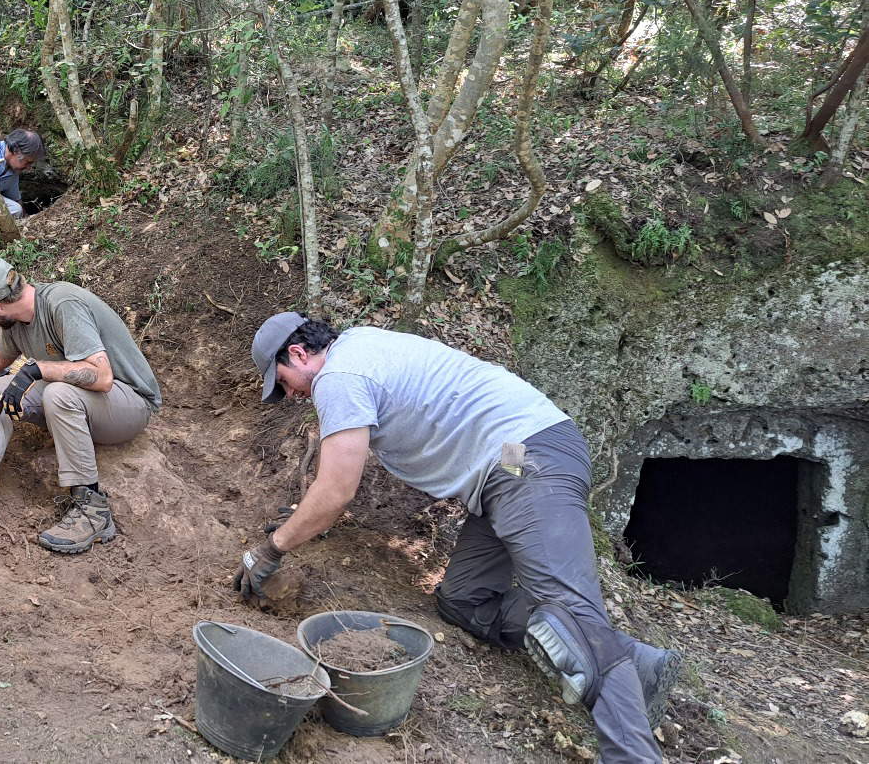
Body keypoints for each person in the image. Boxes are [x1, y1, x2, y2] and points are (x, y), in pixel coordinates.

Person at [238, 313, 681, 763]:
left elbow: (335, 491)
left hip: (530, 457)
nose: (290, 394)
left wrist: (271, 549)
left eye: (284, 381)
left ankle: (632, 753)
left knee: (572, 613)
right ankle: (632, 661)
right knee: (464, 601)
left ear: (298, 353)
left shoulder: (340, 376)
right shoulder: (361, 347)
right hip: (509, 463)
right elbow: (336, 480)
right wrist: (305, 517)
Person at [0, 257, 161, 554]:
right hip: (88, 403)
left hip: (129, 404)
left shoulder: (63, 305)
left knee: (59, 394)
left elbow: (101, 378)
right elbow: (1, 355)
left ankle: (94, 510)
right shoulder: (16, 320)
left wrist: (37, 370)